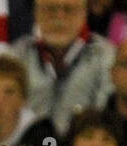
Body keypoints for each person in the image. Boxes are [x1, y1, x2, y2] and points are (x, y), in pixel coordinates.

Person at [7, 0, 116, 138]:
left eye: (69, 9)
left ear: (84, 13)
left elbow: (104, 111)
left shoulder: (106, 55)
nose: (59, 17)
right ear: (36, 13)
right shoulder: (17, 54)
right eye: (50, 9)